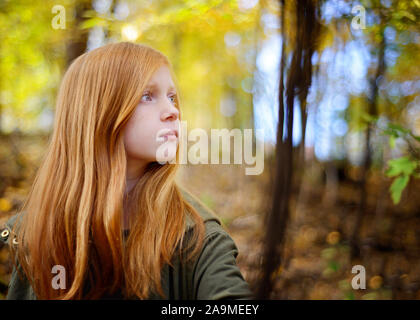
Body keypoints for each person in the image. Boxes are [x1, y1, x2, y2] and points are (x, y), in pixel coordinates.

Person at [0, 42, 253, 300]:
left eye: (172, 97)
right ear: (97, 113)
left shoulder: (199, 239)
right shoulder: (35, 235)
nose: (173, 111)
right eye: (147, 96)